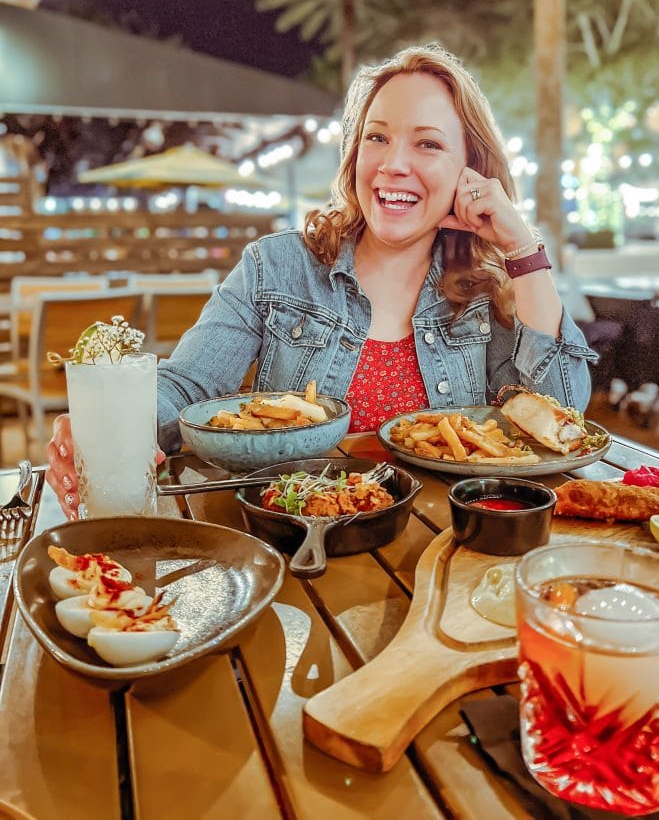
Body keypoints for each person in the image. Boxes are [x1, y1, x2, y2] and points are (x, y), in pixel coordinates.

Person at [46, 44, 597, 518]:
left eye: (428, 144)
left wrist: (524, 251)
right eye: (377, 138)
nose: (393, 164)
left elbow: (560, 421)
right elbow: (188, 387)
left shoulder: (489, 295)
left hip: (443, 554)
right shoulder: (274, 268)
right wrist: (111, 422)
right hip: (291, 545)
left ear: (469, 172)